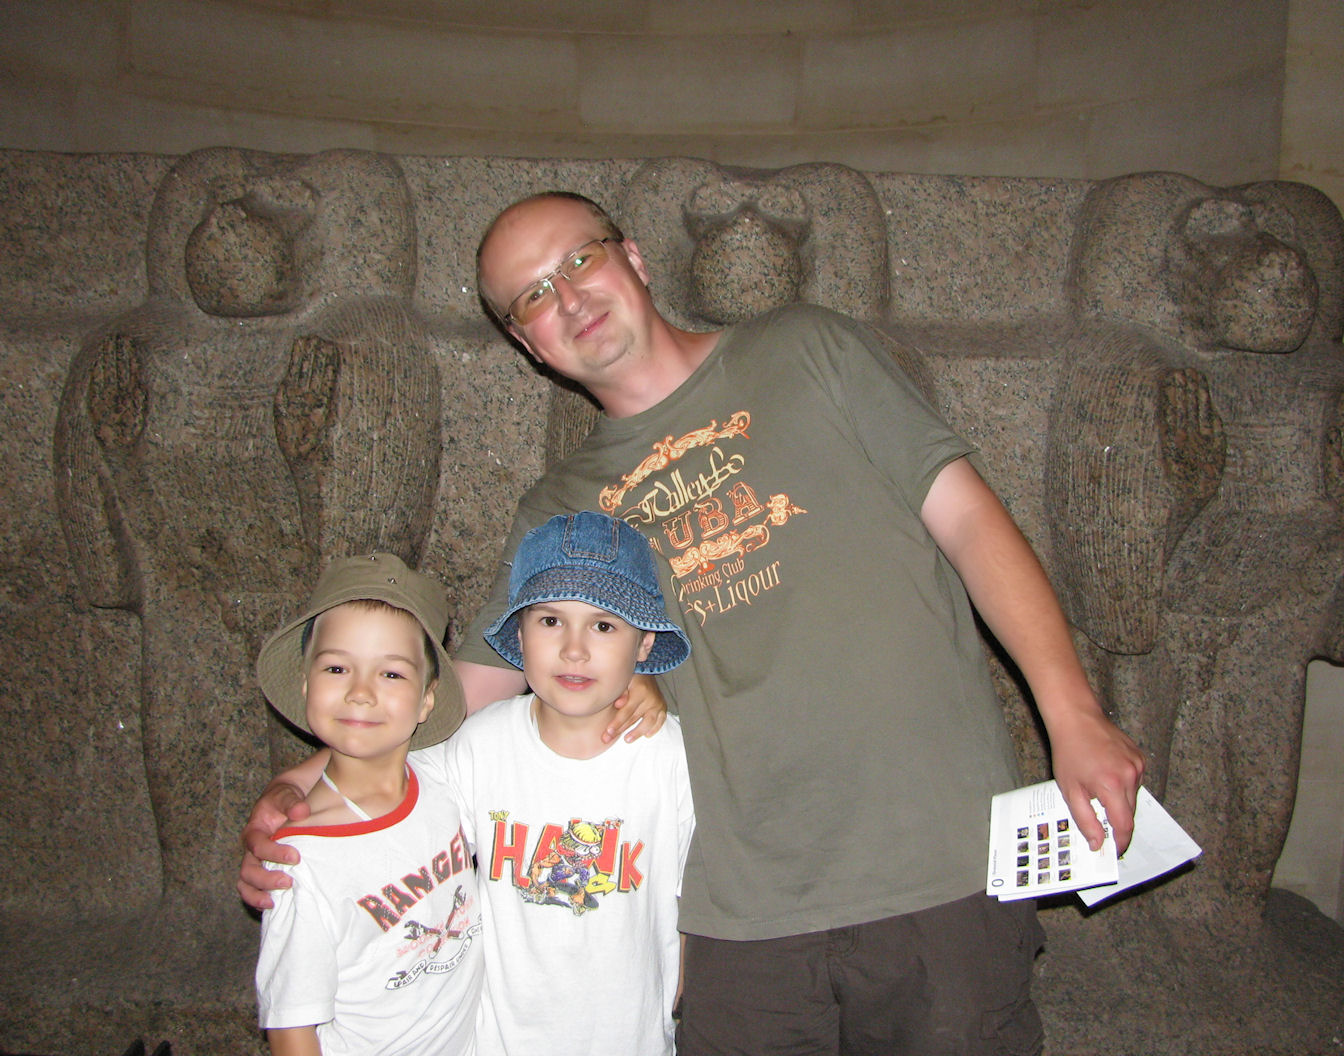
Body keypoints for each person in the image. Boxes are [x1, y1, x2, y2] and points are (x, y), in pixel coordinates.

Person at [246, 191, 1145, 1055]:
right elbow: (462, 691)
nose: (568, 298)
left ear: (634, 258)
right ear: (526, 343)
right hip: (734, 916)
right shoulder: (562, 509)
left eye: (579, 260)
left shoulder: (809, 349)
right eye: (533, 296)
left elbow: (969, 521)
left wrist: (1071, 714)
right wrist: (308, 788)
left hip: (935, 864)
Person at [412, 509, 693, 1055]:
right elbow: (385, 796)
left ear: (643, 645)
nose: (574, 649)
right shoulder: (476, 747)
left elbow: (696, 898)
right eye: (549, 620)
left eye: (604, 625)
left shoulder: (671, 758)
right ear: (519, 633)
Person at [252, 553, 483, 1056]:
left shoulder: (444, 779)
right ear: (306, 683)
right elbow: (291, 1028)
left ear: (427, 698)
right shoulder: (302, 860)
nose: (360, 692)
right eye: (337, 668)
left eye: (392, 674)